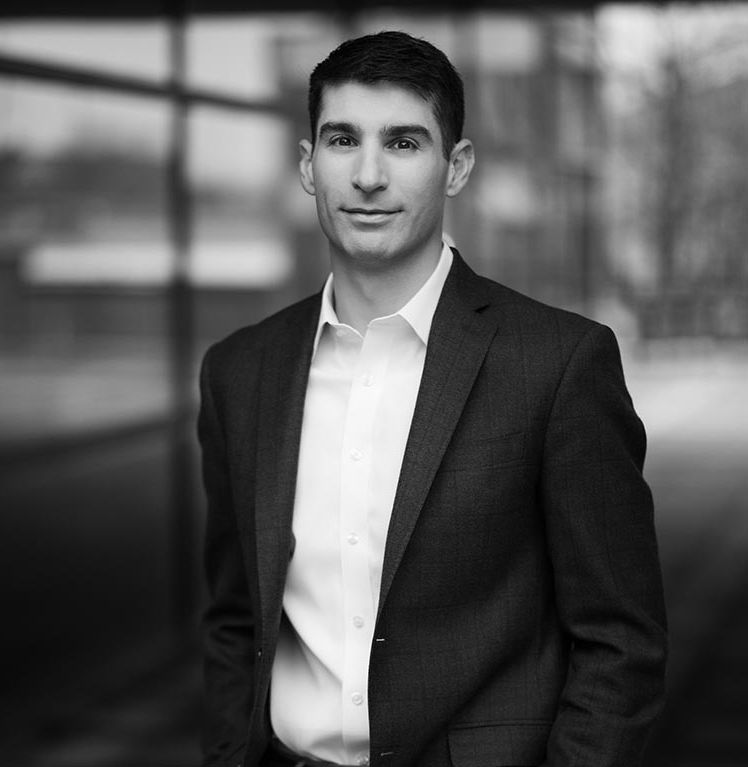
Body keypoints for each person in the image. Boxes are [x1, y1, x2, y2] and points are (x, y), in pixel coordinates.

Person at [197, 30, 667, 767]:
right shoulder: (239, 372)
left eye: (404, 143)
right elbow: (234, 619)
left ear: (457, 167)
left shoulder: (558, 364)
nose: (369, 175)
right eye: (343, 140)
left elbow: (621, 640)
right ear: (308, 166)